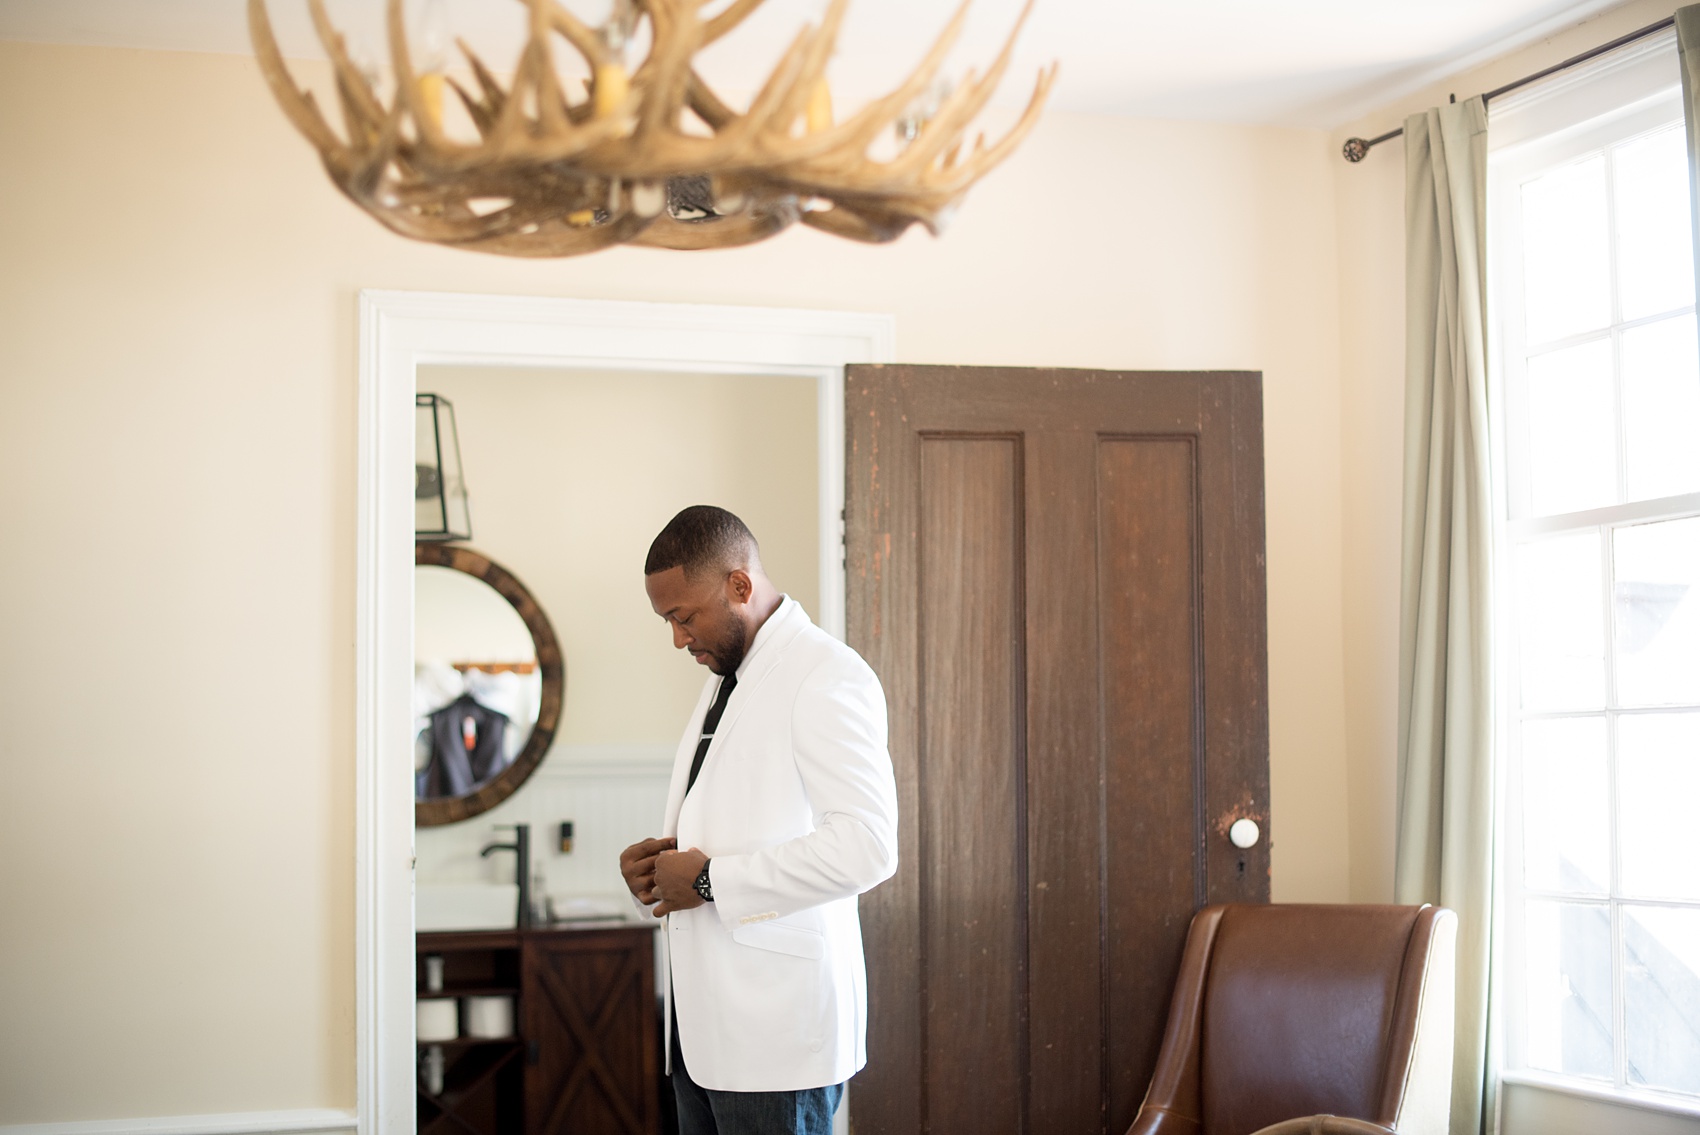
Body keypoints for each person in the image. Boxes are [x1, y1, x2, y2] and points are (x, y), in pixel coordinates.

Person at [619, 505, 899, 1135]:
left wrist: (712, 880)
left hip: (777, 1038)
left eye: (683, 617)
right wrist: (657, 867)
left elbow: (869, 846)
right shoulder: (728, 677)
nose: (676, 638)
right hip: (702, 1036)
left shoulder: (827, 675)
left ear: (739, 587)